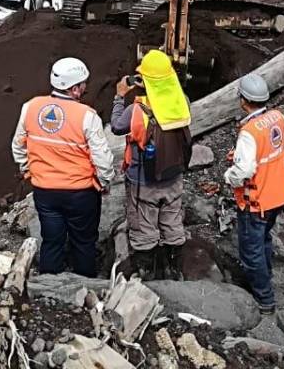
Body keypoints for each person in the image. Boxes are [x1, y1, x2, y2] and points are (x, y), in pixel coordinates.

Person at [11, 57, 115, 277]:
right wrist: (104, 182)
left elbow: (18, 145)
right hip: (81, 193)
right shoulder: (87, 116)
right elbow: (102, 158)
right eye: (84, 83)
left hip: (45, 191)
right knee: (84, 241)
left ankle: (48, 286)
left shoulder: (30, 107)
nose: (86, 87)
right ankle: (85, 284)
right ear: (75, 88)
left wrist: (27, 170)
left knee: (51, 239)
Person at [110, 50, 192, 280]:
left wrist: (119, 96)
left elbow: (117, 126)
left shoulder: (137, 109)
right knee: (172, 220)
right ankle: (174, 270)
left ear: (145, 81)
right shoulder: (182, 101)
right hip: (173, 175)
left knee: (144, 226)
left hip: (143, 180)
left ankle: (147, 273)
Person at [224, 73, 284, 315]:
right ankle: (265, 277)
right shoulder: (278, 117)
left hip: (257, 200)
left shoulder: (249, 132)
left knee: (250, 250)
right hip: (278, 194)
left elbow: (245, 170)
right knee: (264, 239)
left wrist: (229, 176)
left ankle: (264, 300)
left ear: (243, 100)